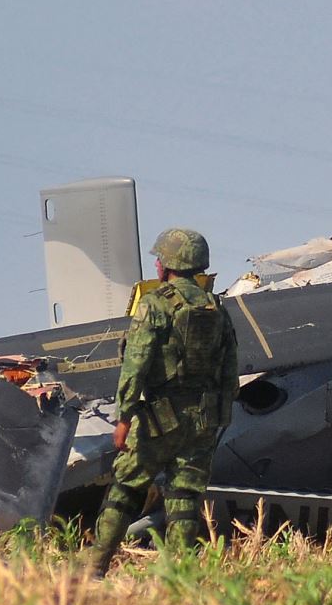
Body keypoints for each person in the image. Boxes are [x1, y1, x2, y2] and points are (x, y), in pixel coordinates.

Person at [84, 227, 238, 577]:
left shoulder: (155, 305)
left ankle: (95, 569)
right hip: (204, 418)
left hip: (158, 418)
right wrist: (219, 416)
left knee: (125, 488)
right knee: (184, 497)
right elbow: (230, 369)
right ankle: (179, 576)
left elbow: (135, 364)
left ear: (166, 265)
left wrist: (124, 418)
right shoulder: (216, 308)